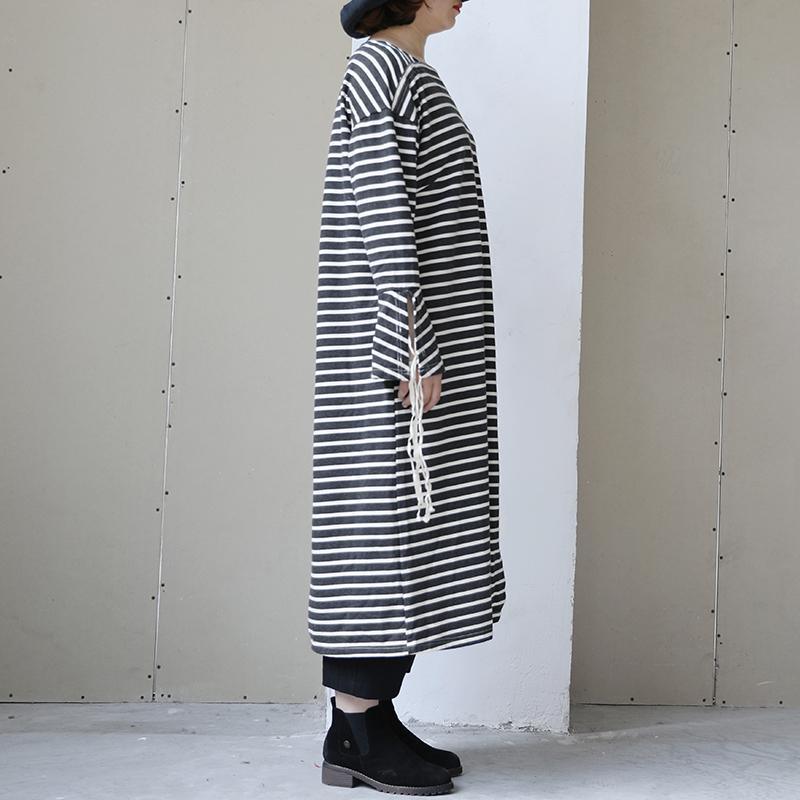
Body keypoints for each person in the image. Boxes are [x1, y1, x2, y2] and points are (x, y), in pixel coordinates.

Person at [309, 0, 506, 793]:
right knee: (382, 527)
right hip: (400, 345)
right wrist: (410, 340)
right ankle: (354, 731)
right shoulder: (380, 70)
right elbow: (384, 211)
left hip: (424, 339)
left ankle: (371, 721)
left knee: (413, 529)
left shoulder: (406, 71)